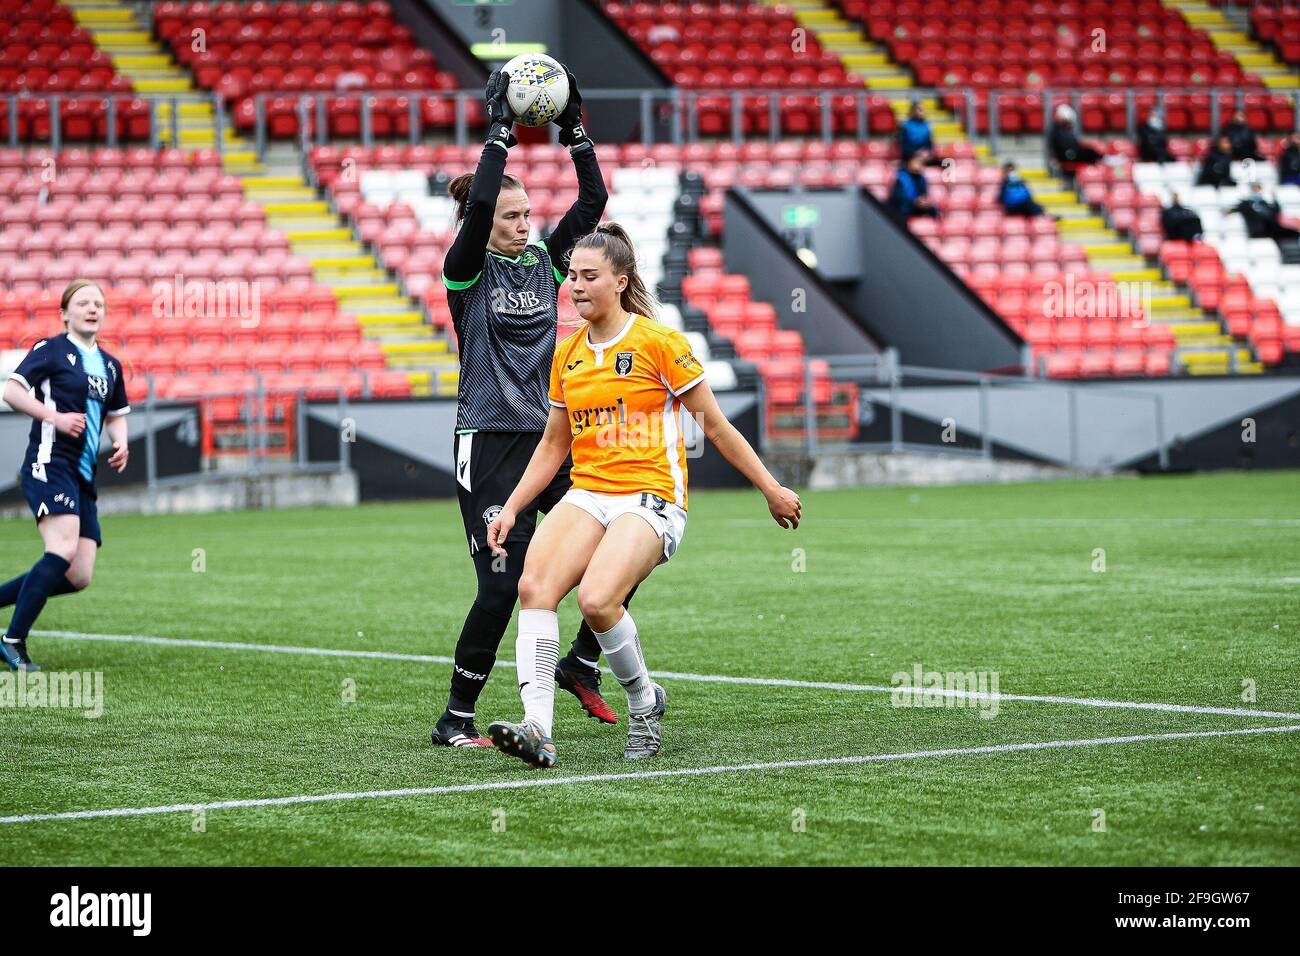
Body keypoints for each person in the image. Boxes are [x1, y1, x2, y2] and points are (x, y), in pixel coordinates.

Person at [483, 223, 802, 768]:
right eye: (573, 278)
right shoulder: (567, 355)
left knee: (597, 600)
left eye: (589, 277)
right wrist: (512, 507)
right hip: (589, 492)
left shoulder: (659, 344)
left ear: (620, 281)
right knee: (534, 587)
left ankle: (644, 700)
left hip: (651, 496)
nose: (576, 287)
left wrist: (771, 489)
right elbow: (554, 444)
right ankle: (538, 728)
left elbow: (717, 426)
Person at [431, 67, 624, 748]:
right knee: (499, 588)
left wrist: (575, 132)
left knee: (622, 544)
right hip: (486, 443)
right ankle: (455, 717)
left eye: (525, 216)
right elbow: (480, 208)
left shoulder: (546, 260)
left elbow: (594, 198)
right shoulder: (466, 270)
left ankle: (580, 663)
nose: (523, 224)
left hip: (549, 441)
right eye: (512, 216)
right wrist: (499, 136)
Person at [1, 280, 129, 671]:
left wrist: (121, 442)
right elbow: (12, 391)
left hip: (84, 474)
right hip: (49, 462)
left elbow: (117, 413)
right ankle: (13, 640)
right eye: (83, 302)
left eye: (99, 303)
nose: (93, 308)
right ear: (64, 313)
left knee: (78, 575)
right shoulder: (50, 349)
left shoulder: (110, 364)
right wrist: (52, 416)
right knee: (61, 548)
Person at [1226, 182, 1300, 244]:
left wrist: (1274, 199)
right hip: (1257, 231)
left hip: (1271, 230)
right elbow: (1232, 210)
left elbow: (1275, 213)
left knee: (1293, 233)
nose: (1257, 191)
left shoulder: (1264, 203)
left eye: (1258, 189)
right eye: (1255, 189)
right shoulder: (1246, 204)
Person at [1048, 104, 1102, 179]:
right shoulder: (1059, 131)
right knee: (1091, 153)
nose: (1071, 124)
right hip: (1067, 156)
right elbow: (1068, 147)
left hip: (1069, 154)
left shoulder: (1062, 130)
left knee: (1091, 151)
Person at [888, 152, 936, 222]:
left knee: (932, 209)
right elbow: (900, 196)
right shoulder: (900, 176)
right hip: (903, 208)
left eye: (921, 163)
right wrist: (915, 201)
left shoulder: (921, 178)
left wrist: (924, 201)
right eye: (917, 162)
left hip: (917, 207)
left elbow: (924, 194)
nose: (919, 165)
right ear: (909, 162)